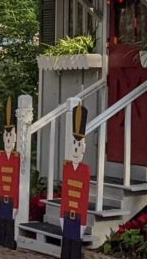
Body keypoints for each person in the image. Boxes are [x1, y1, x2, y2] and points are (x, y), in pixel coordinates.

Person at [61, 105, 90, 259]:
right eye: (74, 145)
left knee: (75, 244)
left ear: (83, 147)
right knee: (67, 243)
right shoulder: (67, 168)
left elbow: (84, 196)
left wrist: (84, 222)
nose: (76, 149)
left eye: (79, 145)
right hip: (67, 213)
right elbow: (65, 193)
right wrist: (61, 215)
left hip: (78, 216)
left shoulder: (84, 170)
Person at [0, 97, 20, 250]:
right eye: (7, 136)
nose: (9, 139)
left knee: (10, 221)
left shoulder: (16, 159)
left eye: (11, 136)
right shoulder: (1, 157)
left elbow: (16, 180)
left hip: (11, 197)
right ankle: (1, 239)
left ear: (15, 137)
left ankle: (10, 240)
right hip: (2, 196)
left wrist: (16, 204)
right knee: (3, 219)